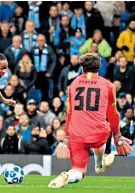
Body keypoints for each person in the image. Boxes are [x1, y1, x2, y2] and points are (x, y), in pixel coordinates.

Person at [48, 53, 133, 188]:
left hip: (76, 133)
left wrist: (67, 135)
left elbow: (70, 112)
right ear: (99, 68)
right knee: (101, 132)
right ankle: (100, 161)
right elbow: (113, 114)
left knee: (79, 171)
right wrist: (117, 136)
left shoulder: (74, 84)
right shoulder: (108, 85)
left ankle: (68, 177)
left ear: (82, 68)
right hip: (98, 133)